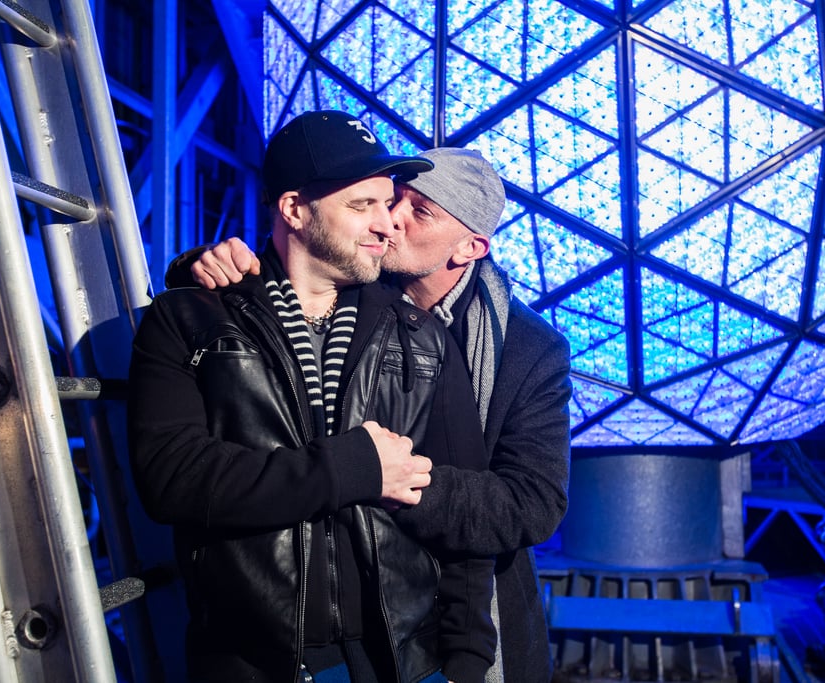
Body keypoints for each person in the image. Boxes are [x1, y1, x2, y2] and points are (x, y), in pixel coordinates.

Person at [128, 110, 497, 683]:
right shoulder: (188, 320)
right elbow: (173, 479)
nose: (387, 225)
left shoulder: (421, 337)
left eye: (389, 202)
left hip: (402, 662)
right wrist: (354, 468)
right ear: (295, 209)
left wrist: (467, 664)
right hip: (253, 661)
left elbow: (463, 514)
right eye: (362, 206)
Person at [181, 147, 573, 682]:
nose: (390, 221)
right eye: (394, 201)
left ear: (470, 247)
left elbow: (531, 504)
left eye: (421, 212)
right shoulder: (345, 282)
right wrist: (200, 267)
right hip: (326, 621)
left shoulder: (527, 349)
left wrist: (383, 478)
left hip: (465, 622)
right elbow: (268, 287)